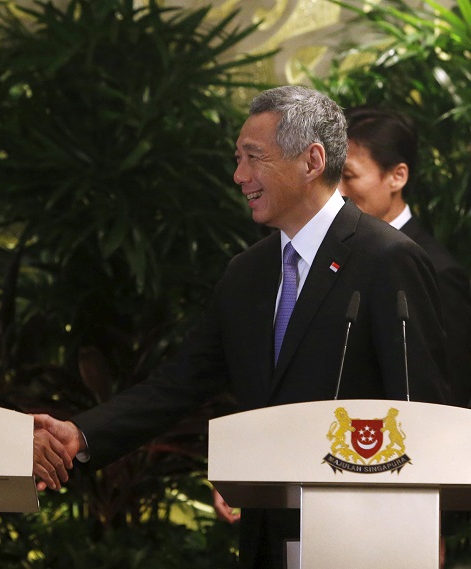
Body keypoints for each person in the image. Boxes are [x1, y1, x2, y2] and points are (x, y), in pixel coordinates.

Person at [32, 86, 449, 569]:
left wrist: (429, 528)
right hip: (266, 535)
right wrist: (80, 435)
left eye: (253, 158)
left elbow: (422, 411)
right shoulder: (246, 273)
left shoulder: (388, 259)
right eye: (238, 158)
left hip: (364, 535)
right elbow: (181, 383)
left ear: (312, 160)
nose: (239, 176)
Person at [339, 106, 471, 407]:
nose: (337, 191)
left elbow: (452, 390)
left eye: (348, 176)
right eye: (332, 175)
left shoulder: (437, 271)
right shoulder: (334, 254)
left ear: (397, 177)